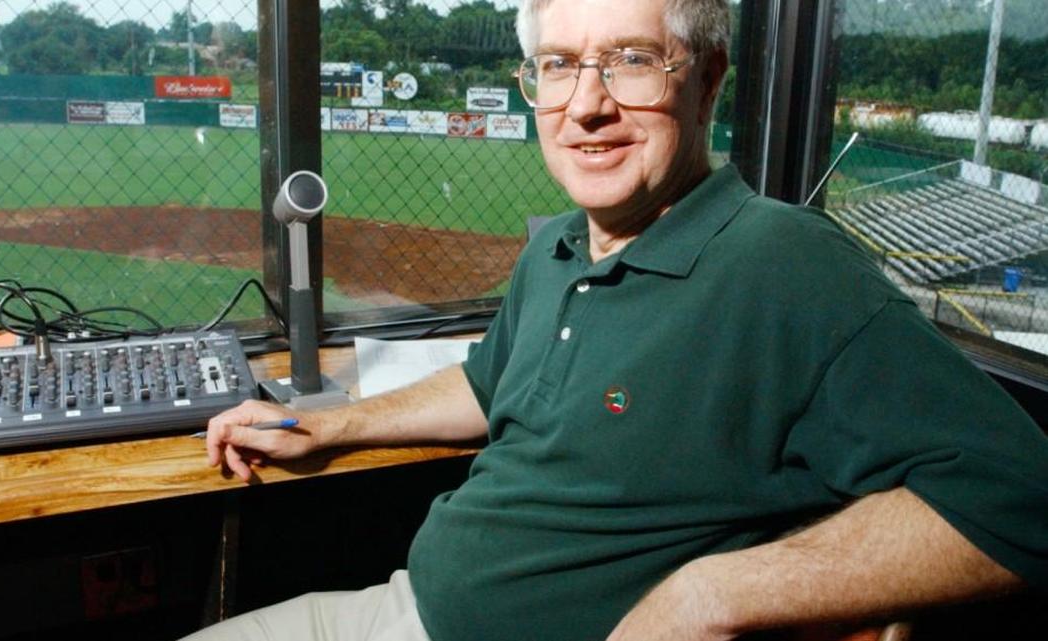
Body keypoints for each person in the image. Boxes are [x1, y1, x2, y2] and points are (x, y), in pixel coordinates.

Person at [188, 1, 1048, 640]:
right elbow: (489, 383)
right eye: (558, 65)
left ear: (708, 82)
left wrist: (707, 597)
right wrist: (327, 426)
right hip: (410, 605)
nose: (586, 105)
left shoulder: (786, 265)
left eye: (632, 61)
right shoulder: (561, 245)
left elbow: (1024, 501)